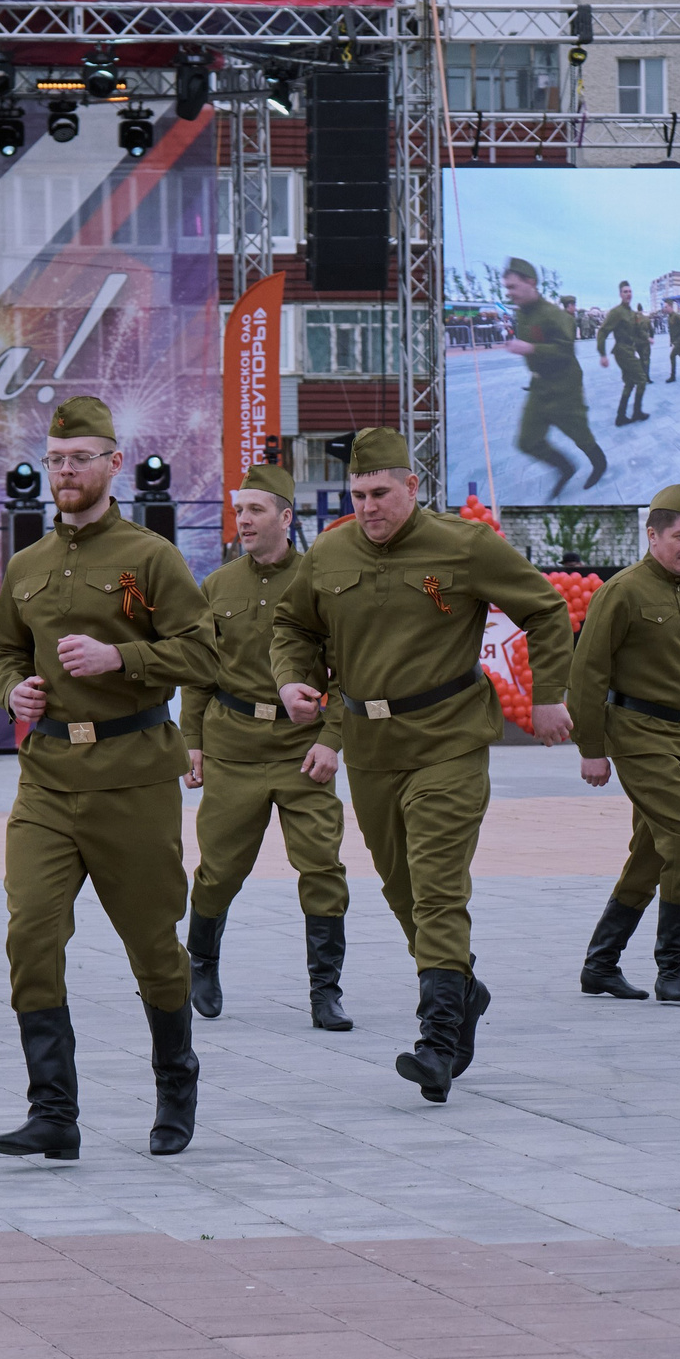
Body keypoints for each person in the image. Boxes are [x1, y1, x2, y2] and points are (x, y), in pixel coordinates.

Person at [273, 427, 575, 1102]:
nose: (369, 506)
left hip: (448, 738)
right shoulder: (329, 551)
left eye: (381, 492)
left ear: (413, 486)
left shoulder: (464, 547)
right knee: (399, 885)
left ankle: (437, 1039)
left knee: (438, 884)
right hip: (371, 748)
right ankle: (462, 984)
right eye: (358, 494)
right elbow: (295, 626)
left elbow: (547, 608)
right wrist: (294, 678)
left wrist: (550, 693)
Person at [0, 397, 218, 1161]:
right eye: (54, 459)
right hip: (49, 777)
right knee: (30, 932)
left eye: (80, 458)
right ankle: (53, 1110)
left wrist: (126, 658)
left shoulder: (151, 558)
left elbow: (205, 654)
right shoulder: (28, 564)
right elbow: (5, 652)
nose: (65, 472)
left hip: (133, 777)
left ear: (114, 463)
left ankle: (175, 1084)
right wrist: (10, 690)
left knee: (153, 944)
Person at [181, 460, 353, 1031]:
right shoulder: (217, 585)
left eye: (255, 510)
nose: (244, 521)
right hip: (233, 748)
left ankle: (325, 991)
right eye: (238, 511)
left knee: (322, 867)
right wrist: (193, 741)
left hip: (304, 749)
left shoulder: (321, 582)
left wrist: (333, 740)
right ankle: (201, 963)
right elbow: (201, 670)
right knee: (220, 870)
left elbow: (351, 671)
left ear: (286, 515)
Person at [569, 483, 680, 1003]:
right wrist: (591, 747)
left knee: (653, 852)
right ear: (652, 536)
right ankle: (671, 967)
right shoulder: (623, 591)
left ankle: (601, 963)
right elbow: (587, 672)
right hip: (635, 735)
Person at [502, 258, 608, 498]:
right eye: (507, 287)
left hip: (565, 386)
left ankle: (599, 463)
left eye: (512, 287)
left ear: (530, 282)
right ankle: (565, 468)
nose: (509, 292)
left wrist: (530, 349)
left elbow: (566, 350)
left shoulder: (553, 315)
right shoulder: (522, 314)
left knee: (579, 433)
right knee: (527, 441)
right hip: (539, 385)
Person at [600, 280, 652, 426]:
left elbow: (637, 331)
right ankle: (636, 412)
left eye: (630, 291)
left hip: (630, 349)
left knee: (629, 382)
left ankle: (621, 416)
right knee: (642, 379)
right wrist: (602, 354)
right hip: (622, 351)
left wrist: (647, 338)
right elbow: (603, 332)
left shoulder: (631, 312)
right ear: (620, 294)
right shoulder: (616, 312)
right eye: (625, 292)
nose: (628, 294)